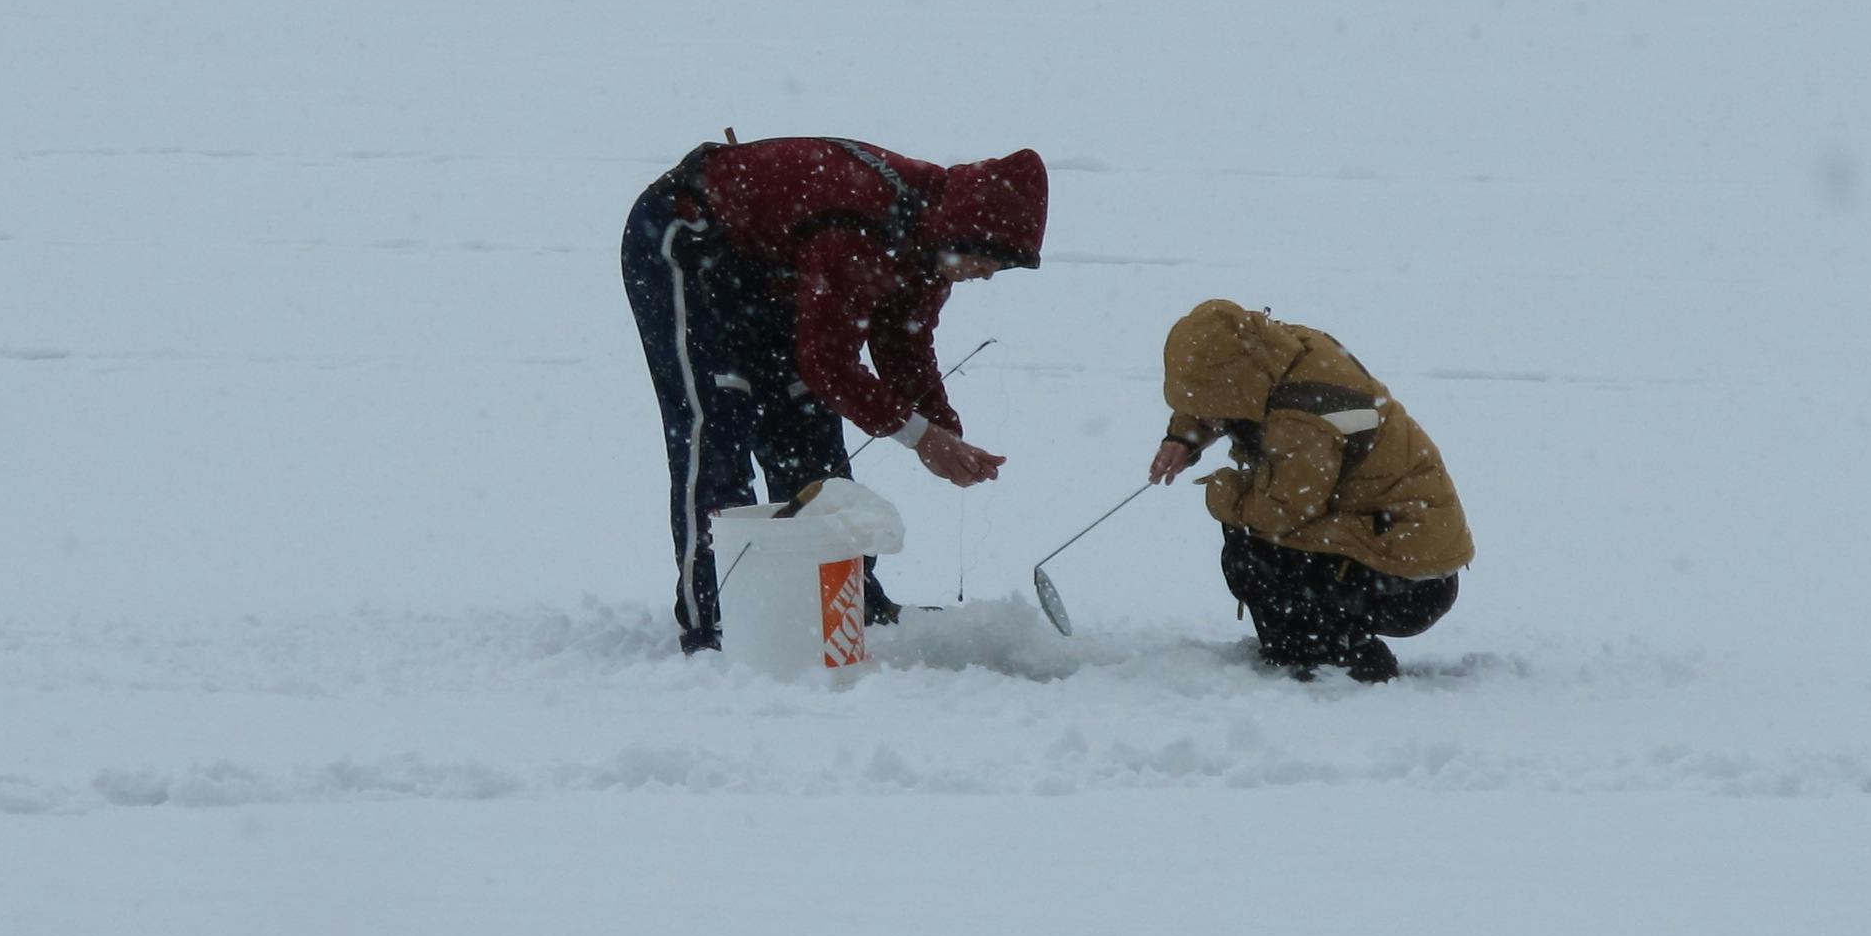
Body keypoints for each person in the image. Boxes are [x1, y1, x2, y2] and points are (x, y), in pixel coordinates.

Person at [624, 135, 1047, 654]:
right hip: (690, 237)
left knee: (805, 433)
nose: (985, 275)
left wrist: (942, 431)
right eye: (987, 260)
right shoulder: (864, 224)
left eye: (998, 269)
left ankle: (845, 599)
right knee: (716, 430)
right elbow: (828, 363)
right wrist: (919, 437)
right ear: (962, 230)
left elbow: (903, 343)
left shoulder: (930, 243)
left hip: (774, 269)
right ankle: (715, 620)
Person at [1146, 299, 1470, 681]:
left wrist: (1223, 490)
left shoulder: (1303, 421)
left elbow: (1280, 513)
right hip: (1400, 546)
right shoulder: (1274, 352)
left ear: (1232, 383)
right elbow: (1227, 393)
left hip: (1410, 580)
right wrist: (1185, 437)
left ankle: (1336, 654)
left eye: (1205, 405)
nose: (1206, 415)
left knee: (1253, 548)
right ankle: (1303, 640)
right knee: (1255, 539)